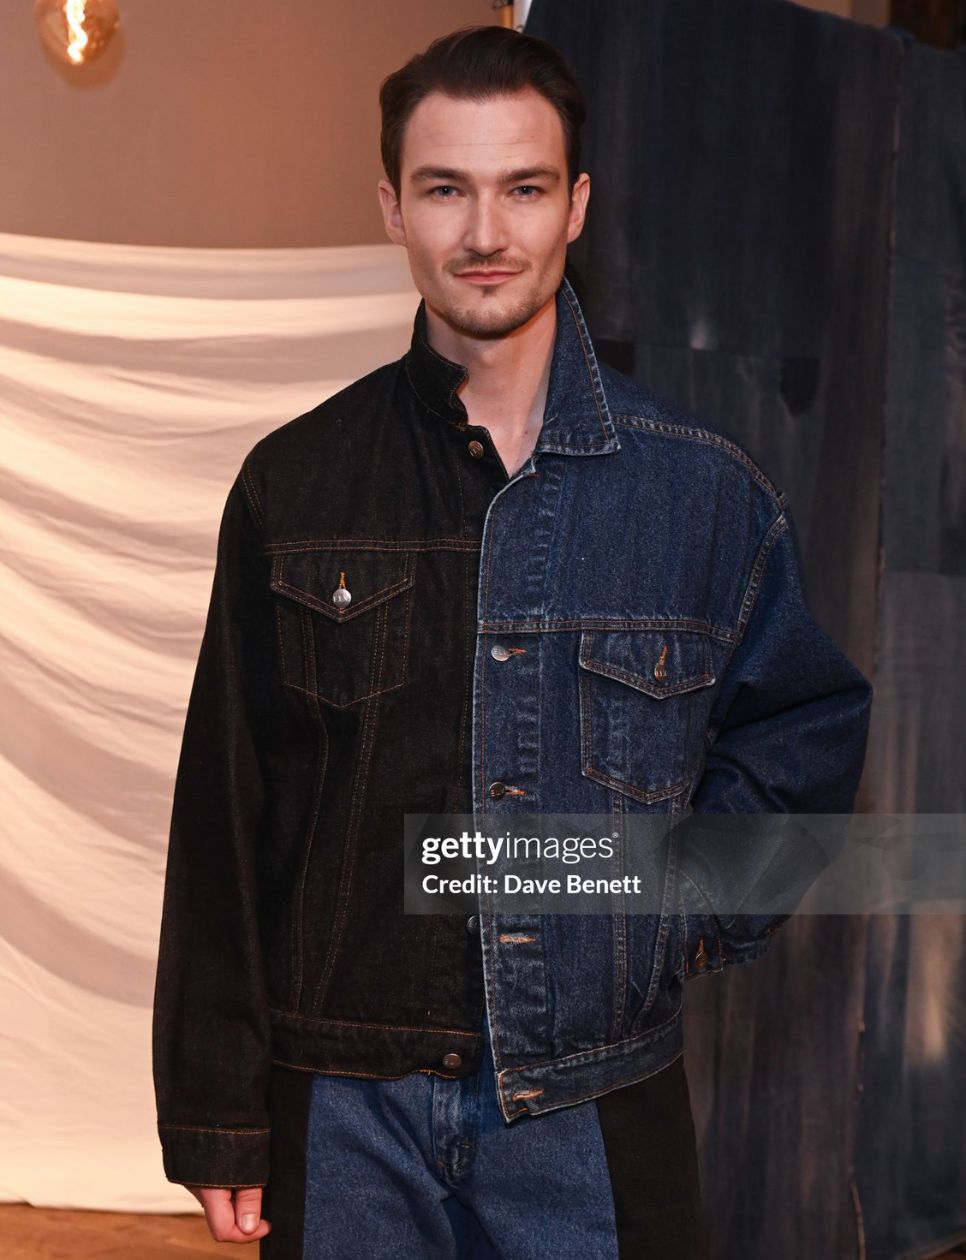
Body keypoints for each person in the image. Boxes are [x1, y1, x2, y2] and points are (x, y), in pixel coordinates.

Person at [151, 23, 873, 1259]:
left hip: (591, 1106)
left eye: (523, 187)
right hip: (347, 1103)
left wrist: (664, 912)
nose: (486, 231)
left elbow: (803, 741)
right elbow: (228, 818)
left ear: (577, 205)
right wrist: (219, 1111)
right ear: (392, 206)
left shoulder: (707, 496)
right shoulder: (297, 483)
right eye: (446, 188)